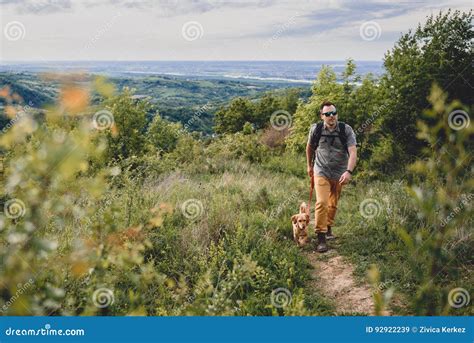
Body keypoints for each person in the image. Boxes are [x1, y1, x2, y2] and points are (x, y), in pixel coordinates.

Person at [306, 101, 357, 252]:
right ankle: (321, 237)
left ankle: (328, 228)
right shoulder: (315, 129)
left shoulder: (345, 130)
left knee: (333, 203)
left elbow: (353, 152)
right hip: (321, 170)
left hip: (340, 172)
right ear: (322, 116)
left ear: (337, 114)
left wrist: (348, 171)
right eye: (327, 114)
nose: (331, 116)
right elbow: (309, 148)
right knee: (322, 202)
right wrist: (309, 165)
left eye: (334, 113)